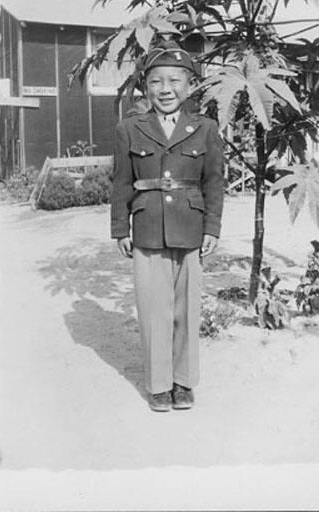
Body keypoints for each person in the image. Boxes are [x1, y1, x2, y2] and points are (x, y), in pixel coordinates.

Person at [111, 40, 224, 412]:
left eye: (175, 81)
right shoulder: (131, 128)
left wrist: (212, 228)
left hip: (190, 227)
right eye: (157, 81)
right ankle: (159, 384)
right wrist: (120, 229)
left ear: (190, 86)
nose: (166, 89)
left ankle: (183, 382)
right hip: (146, 229)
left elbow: (213, 182)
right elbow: (122, 183)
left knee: (186, 309)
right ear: (146, 86)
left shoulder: (205, 128)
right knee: (153, 308)